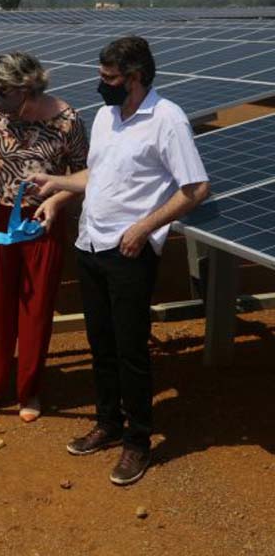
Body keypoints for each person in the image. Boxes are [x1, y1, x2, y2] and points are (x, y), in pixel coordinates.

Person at [28, 36, 210, 486]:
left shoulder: (167, 120)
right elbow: (98, 173)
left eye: (108, 78)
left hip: (128, 251)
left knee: (131, 350)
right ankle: (108, 422)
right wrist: (56, 187)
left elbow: (195, 188)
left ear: (135, 77)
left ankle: (138, 441)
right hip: (90, 244)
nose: (100, 85)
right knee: (101, 343)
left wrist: (144, 227)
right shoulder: (108, 116)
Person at [0, 52, 88, 422]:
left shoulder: (67, 121)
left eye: (1, 91)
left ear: (25, 89)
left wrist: (57, 201)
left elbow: (85, 174)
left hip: (40, 223)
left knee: (34, 309)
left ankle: (28, 390)